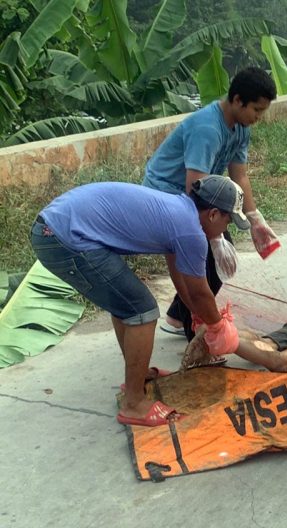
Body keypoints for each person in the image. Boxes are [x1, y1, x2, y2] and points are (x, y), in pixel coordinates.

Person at [30, 175, 249, 426]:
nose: (226, 228)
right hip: (62, 237)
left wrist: (195, 314)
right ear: (212, 214)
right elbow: (200, 292)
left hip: (57, 226)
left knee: (126, 304)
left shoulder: (179, 211)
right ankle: (134, 403)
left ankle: (138, 375)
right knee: (141, 311)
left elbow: (181, 275)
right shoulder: (190, 231)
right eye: (228, 220)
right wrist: (218, 327)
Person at [143, 67, 280, 340]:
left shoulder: (240, 128)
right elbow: (194, 189)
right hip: (167, 195)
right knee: (197, 255)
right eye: (256, 109)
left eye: (262, 111)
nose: (258, 117)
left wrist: (254, 219)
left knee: (217, 264)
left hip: (202, 191)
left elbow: (239, 175)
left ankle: (180, 317)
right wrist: (213, 239)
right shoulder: (207, 128)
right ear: (238, 100)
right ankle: (195, 323)